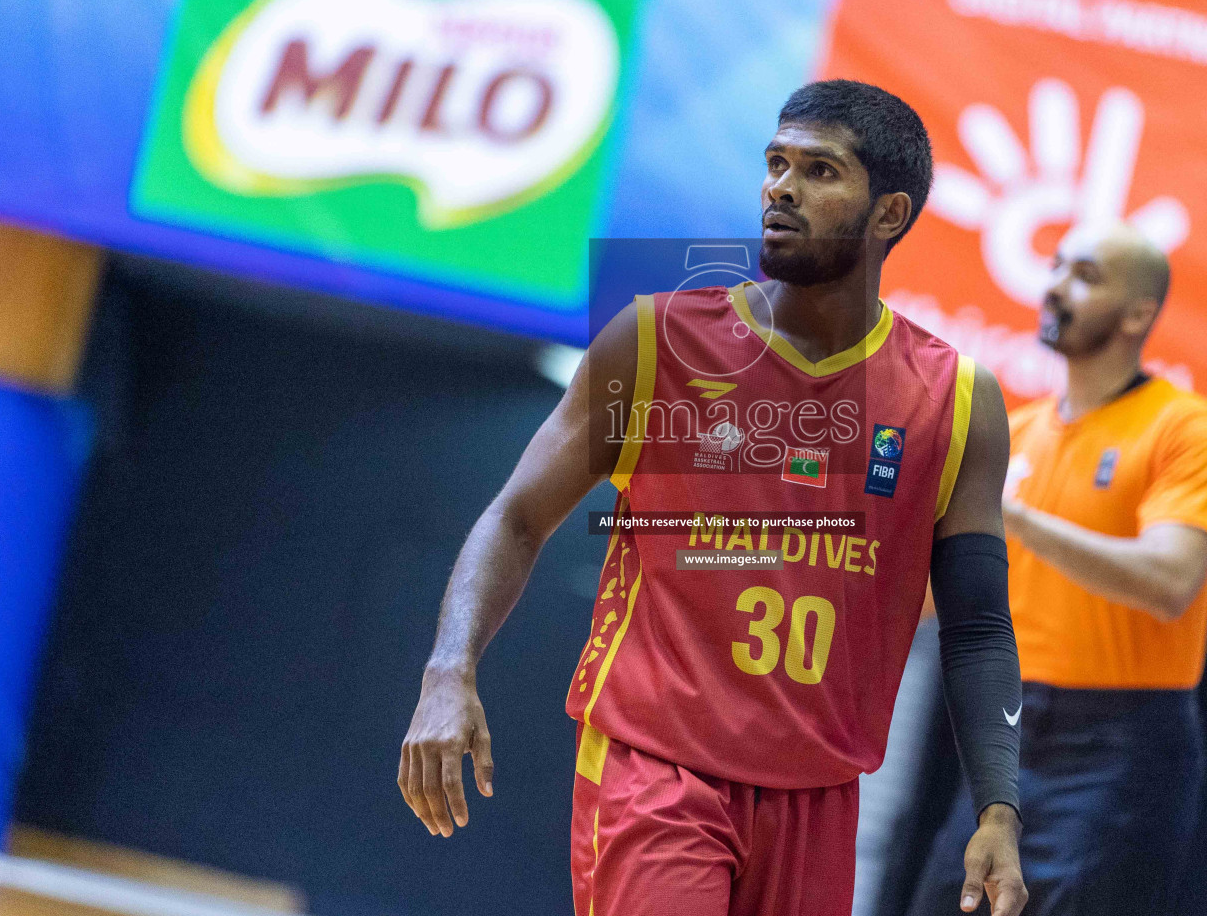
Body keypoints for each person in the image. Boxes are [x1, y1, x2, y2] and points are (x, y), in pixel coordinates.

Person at [397, 80, 1029, 916]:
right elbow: (517, 515)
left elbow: (978, 623)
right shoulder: (657, 339)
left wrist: (999, 806)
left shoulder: (956, 400)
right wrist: (449, 671)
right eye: (775, 164)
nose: (782, 188)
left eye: (820, 171)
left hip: (818, 795)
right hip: (658, 771)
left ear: (888, 213)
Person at [908, 223, 1207, 916]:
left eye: (1085, 275)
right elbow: (932, 600)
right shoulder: (1015, 433)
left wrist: (1013, 518)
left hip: (1116, 751)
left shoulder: (1186, 427)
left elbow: (1171, 581)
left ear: (1138, 313)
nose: (1055, 286)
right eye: (1055, 266)